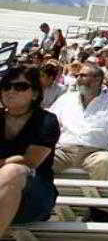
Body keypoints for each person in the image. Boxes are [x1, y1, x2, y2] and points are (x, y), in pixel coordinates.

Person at [0, 66, 60, 235]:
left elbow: (30, 161)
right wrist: (10, 160)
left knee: (13, 170)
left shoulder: (46, 121)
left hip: (33, 197)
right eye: (6, 86)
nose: (11, 91)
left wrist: (9, 163)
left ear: (34, 93)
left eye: (20, 87)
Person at [50, 63, 108, 179]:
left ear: (97, 79)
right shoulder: (66, 99)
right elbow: (49, 125)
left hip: (94, 153)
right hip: (63, 152)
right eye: (77, 76)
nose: (78, 79)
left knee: (106, 163)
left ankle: (103, 197)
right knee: (39, 161)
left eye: (83, 76)